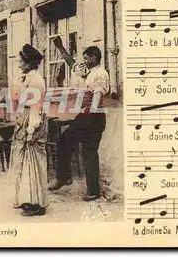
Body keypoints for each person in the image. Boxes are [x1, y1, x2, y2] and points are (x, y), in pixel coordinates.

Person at [48, 46, 109, 202]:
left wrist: (87, 118)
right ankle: (66, 178)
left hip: (93, 117)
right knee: (66, 142)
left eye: (87, 58)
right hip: (88, 116)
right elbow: (73, 65)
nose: (85, 61)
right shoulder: (89, 72)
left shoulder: (101, 74)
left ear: (94, 57)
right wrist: (61, 47)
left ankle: (88, 189)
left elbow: (97, 96)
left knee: (87, 152)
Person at [9, 44, 48, 217]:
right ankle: (27, 198)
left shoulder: (37, 81)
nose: (19, 65)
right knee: (23, 161)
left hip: (33, 121)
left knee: (34, 161)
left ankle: (38, 204)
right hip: (24, 119)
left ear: (30, 63)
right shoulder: (25, 78)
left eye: (21, 62)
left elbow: (36, 108)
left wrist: (32, 129)